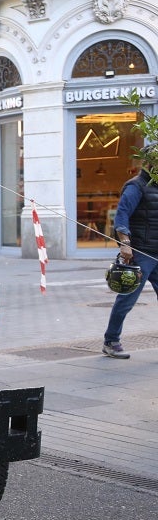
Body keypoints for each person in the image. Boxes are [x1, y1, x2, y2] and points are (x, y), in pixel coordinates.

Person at [102, 144, 158, 359]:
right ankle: (111, 340)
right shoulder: (136, 186)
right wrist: (124, 243)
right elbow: (122, 215)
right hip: (141, 253)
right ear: (149, 162)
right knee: (126, 299)